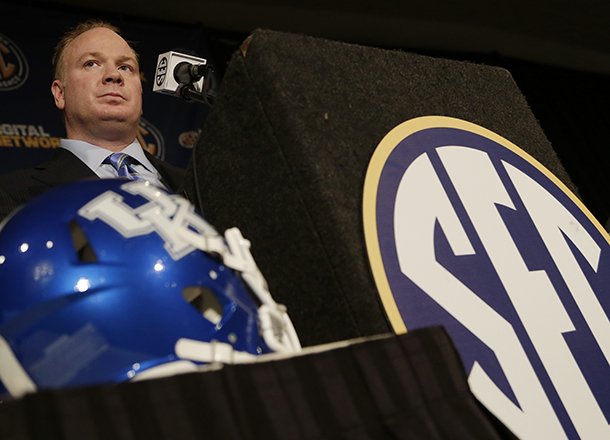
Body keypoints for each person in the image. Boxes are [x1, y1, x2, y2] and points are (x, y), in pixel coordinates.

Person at [0, 20, 187, 221]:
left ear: (140, 94)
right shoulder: (12, 194)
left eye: (125, 67)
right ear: (60, 94)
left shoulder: (199, 186)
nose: (114, 75)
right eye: (91, 64)